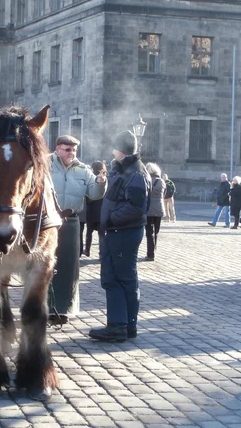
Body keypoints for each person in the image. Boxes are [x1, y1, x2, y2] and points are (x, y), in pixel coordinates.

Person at [89, 130, 151, 342]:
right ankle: (125, 325)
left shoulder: (135, 172)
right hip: (117, 232)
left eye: (115, 147)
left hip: (122, 232)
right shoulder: (125, 169)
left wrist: (112, 219)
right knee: (119, 277)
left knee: (118, 278)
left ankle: (118, 326)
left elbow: (136, 207)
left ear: (120, 150)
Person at [50, 135, 107, 324]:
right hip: (47, 221)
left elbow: (94, 194)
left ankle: (62, 309)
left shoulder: (84, 170)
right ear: (58, 149)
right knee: (43, 265)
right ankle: (41, 306)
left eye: (74, 150)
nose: (71, 153)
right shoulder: (45, 164)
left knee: (68, 266)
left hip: (71, 221)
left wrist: (100, 183)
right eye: (67, 149)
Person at [84, 161, 107, 257]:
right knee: (101, 235)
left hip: (92, 211)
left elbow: (89, 197)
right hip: (102, 212)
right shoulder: (105, 180)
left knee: (89, 233)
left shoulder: (92, 179)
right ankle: (102, 253)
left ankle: (87, 250)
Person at [144, 163, 165, 261]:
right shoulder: (161, 181)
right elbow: (164, 194)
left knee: (149, 233)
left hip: (148, 209)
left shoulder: (146, 180)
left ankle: (150, 253)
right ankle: (154, 251)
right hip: (159, 209)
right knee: (156, 232)